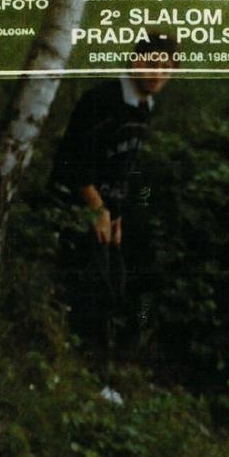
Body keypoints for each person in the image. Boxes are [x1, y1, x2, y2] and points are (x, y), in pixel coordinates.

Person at [50, 34, 176, 371]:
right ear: (135, 61)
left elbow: (124, 167)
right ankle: (87, 367)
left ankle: (119, 360)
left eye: (166, 68)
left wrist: (116, 213)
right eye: (152, 64)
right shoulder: (103, 100)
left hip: (107, 208)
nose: (158, 73)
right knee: (98, 284)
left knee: (138, 274)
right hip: (74, 201)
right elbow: (70, 160)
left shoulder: (144, 106)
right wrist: (96, 207)